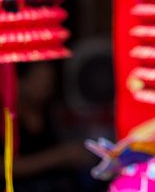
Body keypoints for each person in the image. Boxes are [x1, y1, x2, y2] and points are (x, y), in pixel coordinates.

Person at [4, 61, 95, 192]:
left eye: (50, 81)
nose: (46, 87)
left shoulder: (52, 111)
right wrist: (61, 155)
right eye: (39, 81)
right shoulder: (5, 119)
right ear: (20, 81)